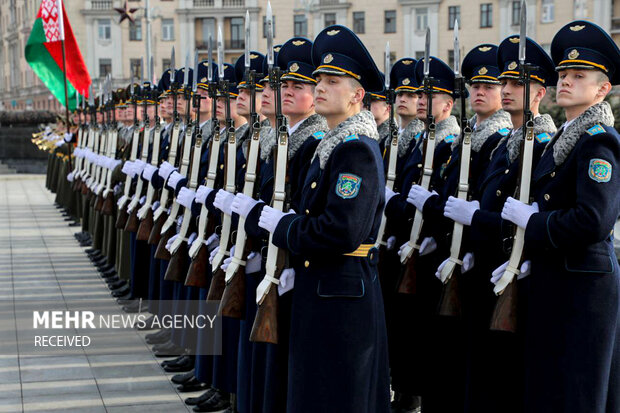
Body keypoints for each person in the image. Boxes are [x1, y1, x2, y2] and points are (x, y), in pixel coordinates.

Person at [257, 25, 390, 413]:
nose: (320, 87)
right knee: (317, 391)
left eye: (333, 81)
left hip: (343, 295)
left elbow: (340, 230)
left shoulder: (356, 150)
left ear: (357, 96)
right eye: (318, 80)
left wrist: (282, 227)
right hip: (324, 288)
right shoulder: (333, 146)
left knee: (340, 394)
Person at [498, 21, 620, 413]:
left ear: (603, 89)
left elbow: (593, 220)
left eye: (578, 76)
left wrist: (533, 223)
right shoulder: (564, 138)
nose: (565, 81)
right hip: (556, 279)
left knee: (576, 390)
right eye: (563, 74)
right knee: (550, 386)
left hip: (583, 288)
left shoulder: (598, 140)